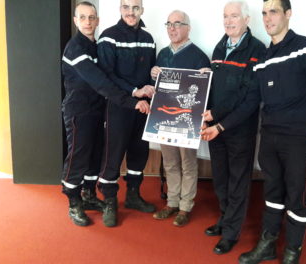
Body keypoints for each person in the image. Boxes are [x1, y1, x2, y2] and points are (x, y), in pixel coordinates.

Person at [238, 0, 306, 263]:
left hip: (296, 137)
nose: (267, 18)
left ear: (288, 14)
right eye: (264, 13)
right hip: (269, 134)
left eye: (273, 11)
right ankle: (267, 245)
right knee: (272, 190)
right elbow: (252, 98)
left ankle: (292, 252)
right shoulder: (263, 58)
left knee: (295, 194)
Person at [61, 1, 150, 226]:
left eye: (92, 17)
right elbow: (102, 83)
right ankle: (73, 203)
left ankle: (89, 197)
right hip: (79, 112)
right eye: (82, 17)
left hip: (98, 111)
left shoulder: (95, 45)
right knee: (78, 156)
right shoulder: (75, 48)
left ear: (98, 20)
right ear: (75, 20)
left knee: (94, 157)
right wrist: (132, 101)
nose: (88, 22)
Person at [200, 0, 266, 255]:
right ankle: (225, 220)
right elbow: (214, 89)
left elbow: (249, 98)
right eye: (225, 16)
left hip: (238, 130)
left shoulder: (257, 50)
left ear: (247, 20)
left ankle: (231, 233)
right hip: (215, 128)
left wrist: (219, 119)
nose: (228, 21)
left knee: (238, 182)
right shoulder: (220, 46)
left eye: (234, 16)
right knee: (221, 179)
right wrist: (205, 115)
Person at [96, 0, 156, 227]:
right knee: (113, 155)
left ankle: (133, 195)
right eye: (126, 7)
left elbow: (151, 70)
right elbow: (107, 75)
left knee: (139, 152)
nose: (131, 12)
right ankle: (110, 200)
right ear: (120, 9)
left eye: (135, 8)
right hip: (118, 107)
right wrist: (134, 91)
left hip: (143, 108)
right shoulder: (108, 37)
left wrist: (151, 83)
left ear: (142, 10)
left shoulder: (149, 39)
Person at [150, 10, 210, 227]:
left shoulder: (199, 56)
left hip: (187, 121)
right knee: (170, 162)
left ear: (188, 28)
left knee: (187, 162)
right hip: (165, 119)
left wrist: (206, 77)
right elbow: (158, 89)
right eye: (169, 24)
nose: (172, 28)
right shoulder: (162, 54)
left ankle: (186, 206)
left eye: (177, 24)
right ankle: (172, 202)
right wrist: (153, 74)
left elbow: (204, 94)